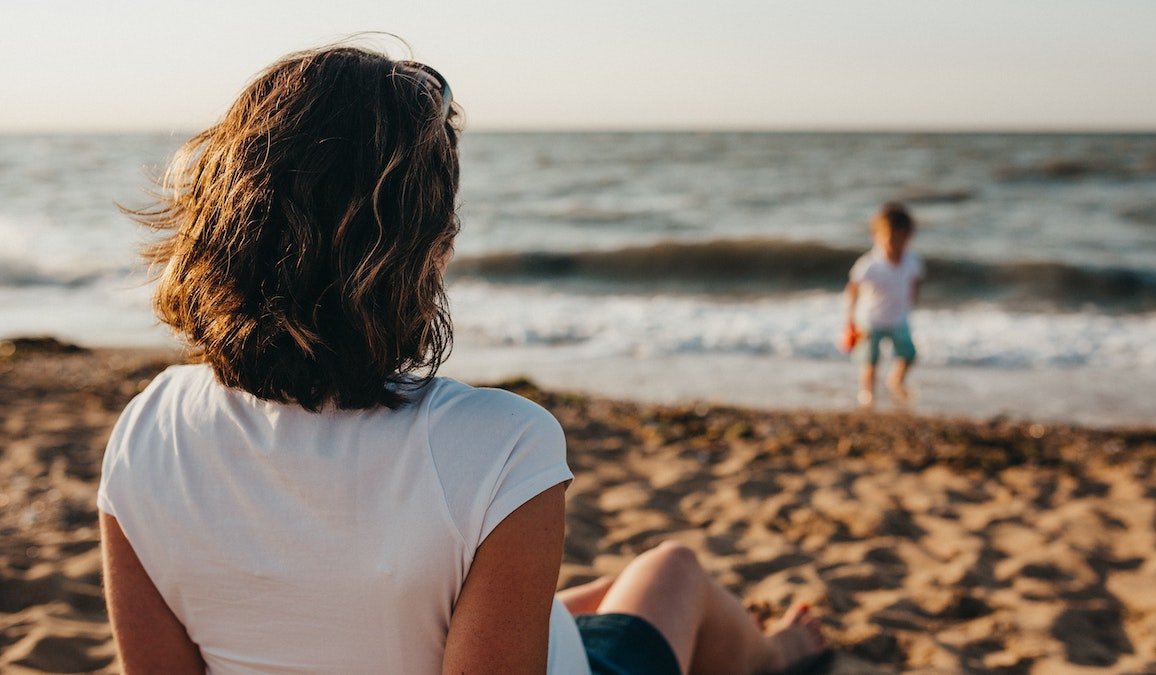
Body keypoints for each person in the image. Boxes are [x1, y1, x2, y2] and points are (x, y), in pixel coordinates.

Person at [98, 43, 828, 674]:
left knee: (588, 596)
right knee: (674, 570)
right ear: (427, 251)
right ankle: (779, 657)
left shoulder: (145, 429)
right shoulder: (502, 445)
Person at [844, 202, 924, 408]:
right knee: (870, 360)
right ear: (877, 236)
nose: (895, 245)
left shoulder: (912, 260)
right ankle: (867, 394)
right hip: (871, 319)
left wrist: (912, 299)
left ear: (908, 237)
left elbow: (914, 280)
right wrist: (850, 320)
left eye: (901, 239)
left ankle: (895, 380)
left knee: (909, 354)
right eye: (890, 239)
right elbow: (852, 289)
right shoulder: (870, 263)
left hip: (898, 318)